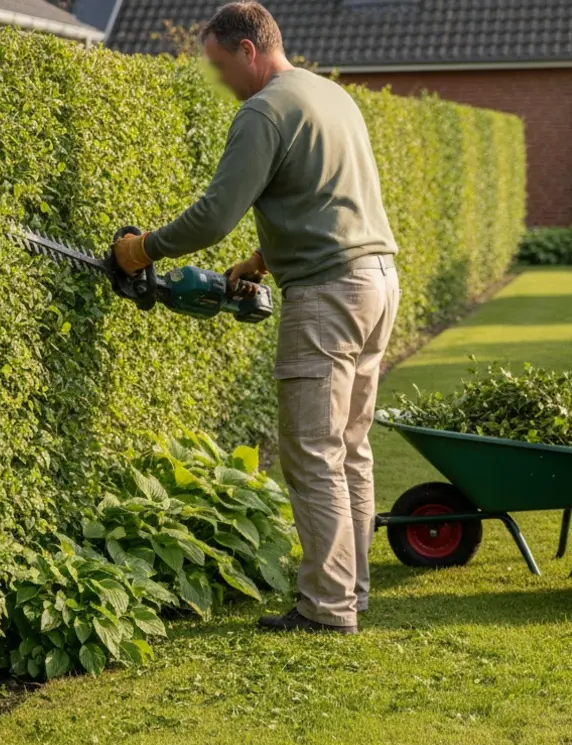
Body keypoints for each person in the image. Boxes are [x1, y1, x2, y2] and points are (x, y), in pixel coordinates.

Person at [112, 1, 399, 634]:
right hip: (377, 282)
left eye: (219, 65)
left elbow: (214, 215)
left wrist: (141, 249)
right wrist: (265, 257)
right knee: (350, 449)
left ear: (249, 51)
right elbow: (329, 196)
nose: (218, 80)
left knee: (313, 455)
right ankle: (350, 594)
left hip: (328, 296)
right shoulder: (330, 97)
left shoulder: (263, 110)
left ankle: (325, 610)